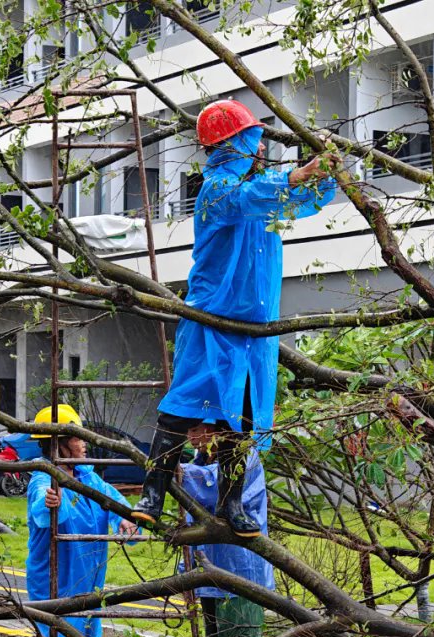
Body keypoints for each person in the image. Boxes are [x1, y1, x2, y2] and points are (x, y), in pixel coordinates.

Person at [131, 99, 340, 536]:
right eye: (251, 140)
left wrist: (327, 170)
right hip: (213, 320)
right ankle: (153, 491)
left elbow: (302, 198)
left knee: (241, 421)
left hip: (256, 330)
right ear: (230, 144)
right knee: (183, 407)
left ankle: (232, 504)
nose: (259, 148)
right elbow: (249, 199)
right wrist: (297, 174)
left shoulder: (265, 189)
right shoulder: (218, 190)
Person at [17, 404, 137, 637]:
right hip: (55, 584)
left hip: (88, 581)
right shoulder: (44, 478)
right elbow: (42, 508)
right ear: (58, 443)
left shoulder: (87, 476)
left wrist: (125, 519)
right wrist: (51, 502)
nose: (84, 443)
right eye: (76, 437)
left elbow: (114, 503)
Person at [178, 424, 273, 637]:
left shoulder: (242, 456)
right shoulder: (205, 456)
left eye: (194, 428)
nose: (189, 437)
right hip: (214, 573)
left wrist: (180, 473)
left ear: (213, 428)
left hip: (240, 573)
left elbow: (212, 494)